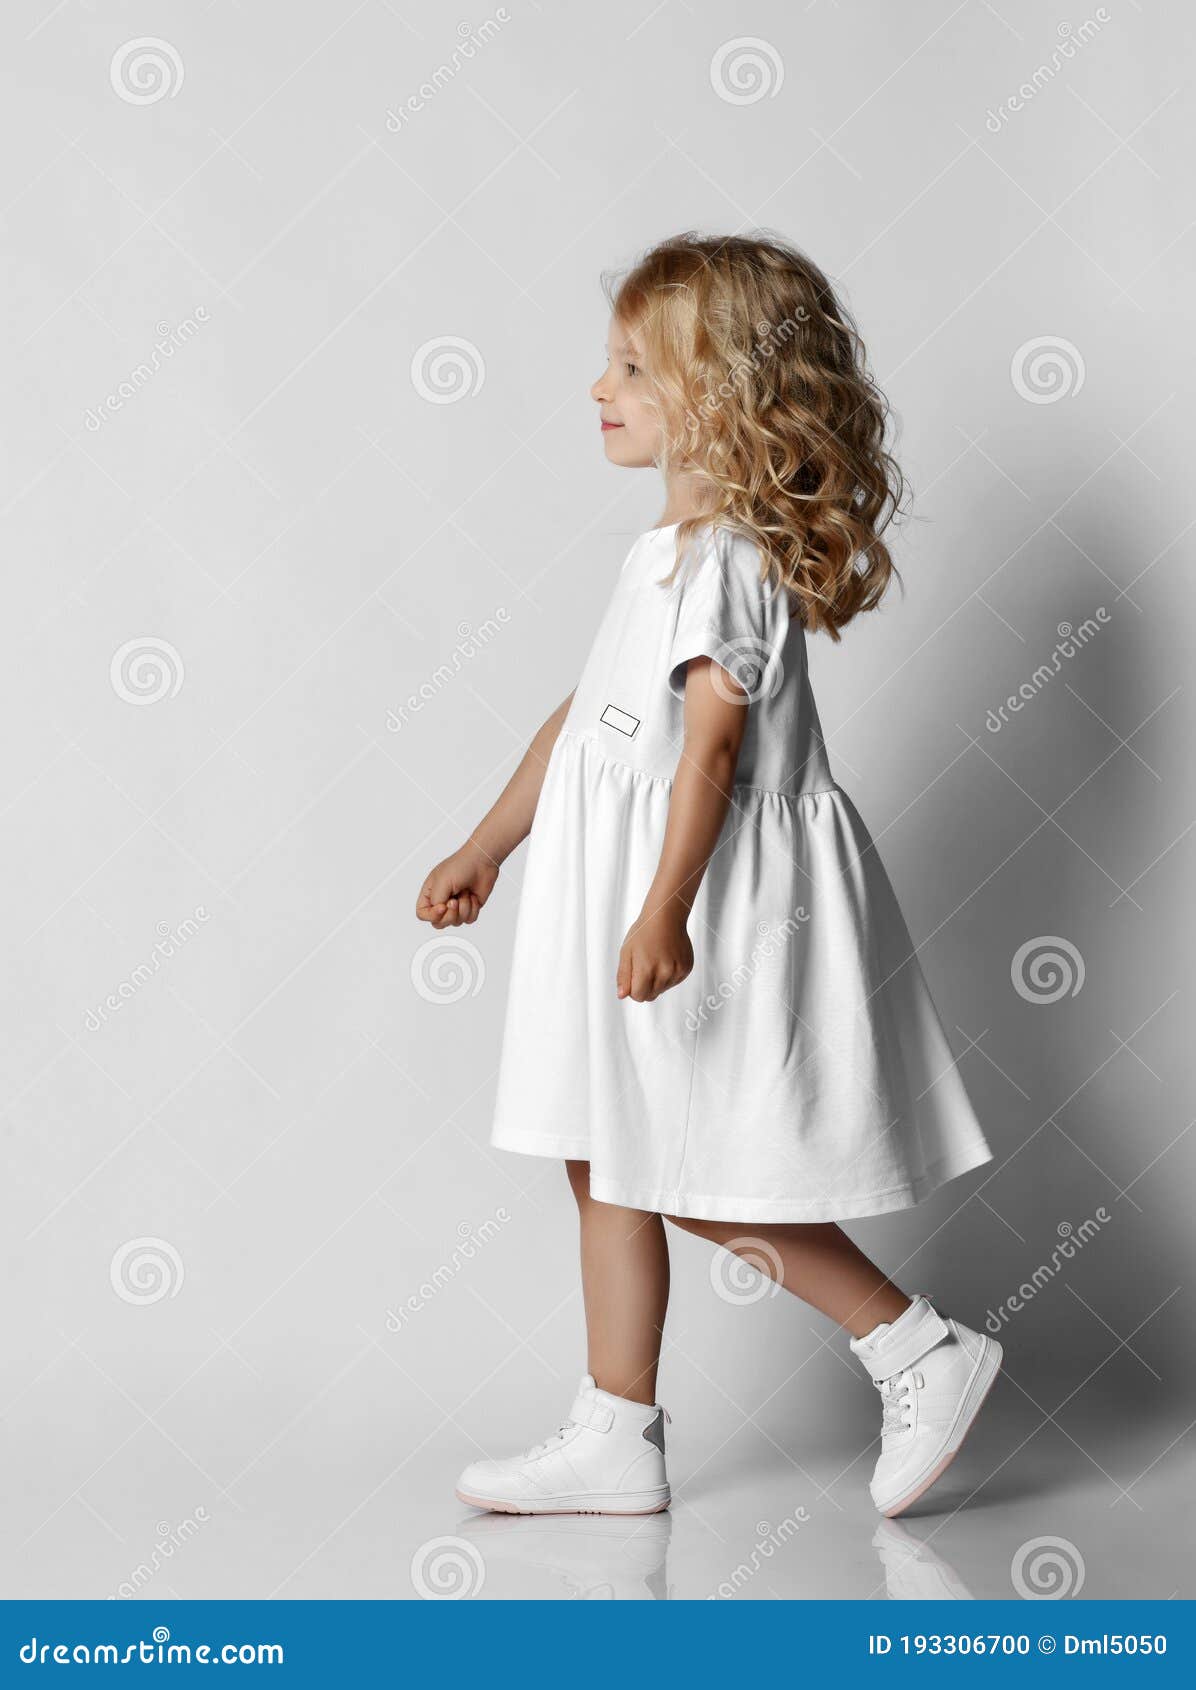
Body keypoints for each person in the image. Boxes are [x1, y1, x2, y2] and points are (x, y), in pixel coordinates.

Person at [416, 233, 1001, 1520]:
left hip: (707, 901)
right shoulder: (661, 557)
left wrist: (664, 908)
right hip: (627, 890)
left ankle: (916, 1345)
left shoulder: (730, 562)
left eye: (631, 365)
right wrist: (486, 845)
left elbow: (711, 753)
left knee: (688, 1163)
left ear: (721, 397)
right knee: (604, 1157)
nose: (597, 387)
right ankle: (615, 1427)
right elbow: (587, 726)